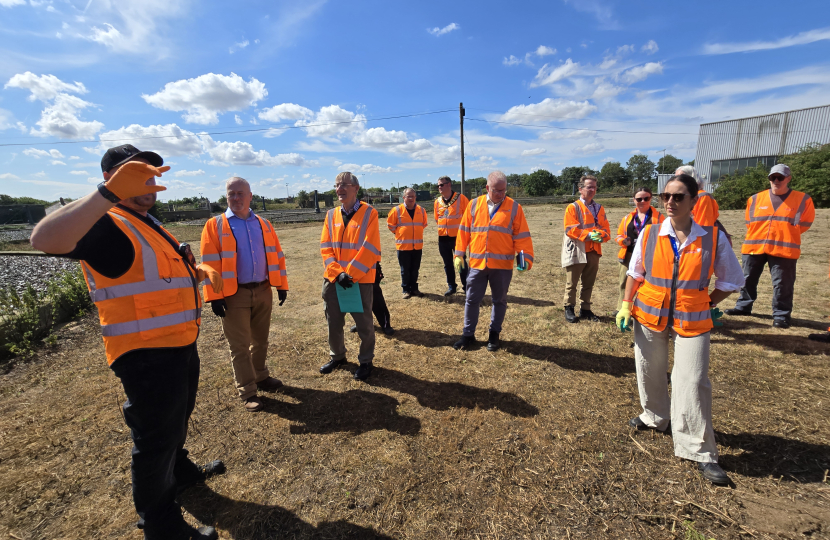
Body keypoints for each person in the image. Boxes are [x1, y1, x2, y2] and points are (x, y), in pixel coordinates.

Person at [30, 144, 222, 540]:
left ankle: (180, 471)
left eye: (151, 173)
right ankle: (160, 524)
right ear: (110, 180)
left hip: (178, 343)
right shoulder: (107, 221)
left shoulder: (146, 220)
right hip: (146, 355)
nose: (147, 181)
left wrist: (196, 270)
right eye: (134, 174)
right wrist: (107, 196)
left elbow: (152, 273)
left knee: (176, 421)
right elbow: (43, 238)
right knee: (154, 438)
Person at [616, 173, 745, 486]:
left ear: (694, 201)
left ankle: (699, 450)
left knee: (693, 380)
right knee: (649, 368)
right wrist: (625, 303)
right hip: (648, 314)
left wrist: (706, 301)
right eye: (666, 197)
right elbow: (635, 272)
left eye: (678, 196)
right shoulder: (648, 234)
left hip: (692, 319)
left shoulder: (712, 238)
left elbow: (731, 280)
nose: (670, 202)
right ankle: (655, 416)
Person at [199, 177, 288, 413]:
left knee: (260, 340)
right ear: (226, 197)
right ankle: (248, 391)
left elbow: (277, 255)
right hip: (232, 294)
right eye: (231, 194)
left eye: (240, 193)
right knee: (239, 346)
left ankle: (261, 376)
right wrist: (214, 296)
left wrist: (282, 285)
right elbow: (209, 263)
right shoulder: (214, 225)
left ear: (250, 196)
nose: (236, 198)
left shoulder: (264, 224)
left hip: (262, 289)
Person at [724, 164, 815, 328]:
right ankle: (743, 307)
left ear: (788, 179)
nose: (776, 181)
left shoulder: (803, 199)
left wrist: (785, 234)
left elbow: (805, 223)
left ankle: (781, 315)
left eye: (780, 177)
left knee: (782, 284)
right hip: (754, 246)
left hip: (784, 249)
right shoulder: (755, 199)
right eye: (773, 177)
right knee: (747, 279)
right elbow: (749, 221)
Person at [452, 171, 534, 352]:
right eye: (496, 190)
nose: (501, 194)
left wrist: (525, 257)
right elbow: (464, 231)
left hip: (502, 266)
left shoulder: (514, 207)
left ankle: (494, 335)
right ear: (487, 188)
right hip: (477, 264)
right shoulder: (474, 205)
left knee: (499, 301)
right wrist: (458, 254)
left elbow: (521, 236)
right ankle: (468, 335)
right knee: (471, 300)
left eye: (503, 190)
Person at [319, 172, 382, 381]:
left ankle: (366, 361)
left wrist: (351, 274)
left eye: (344, 185)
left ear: (356, 188)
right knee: (333, 322)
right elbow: (325, 248)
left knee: (364, 324)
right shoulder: (330, 215)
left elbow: (370, 248)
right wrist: (338, 274)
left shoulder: (369, 213)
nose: (339, 189)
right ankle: (337, 357)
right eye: (336, 185)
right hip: (334, 280)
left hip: (360, 280)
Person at [561, 175, 611, 323]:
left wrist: (601, 235)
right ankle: (569, 307)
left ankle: (586, 309)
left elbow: (606, 230)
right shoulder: (573, 207)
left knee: (589, 282)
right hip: (578, 249)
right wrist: (590, 235)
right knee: (572, 282)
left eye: (594, 187)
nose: (592, 190)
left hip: (594, 251)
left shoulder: (599, 208)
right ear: (580, 188)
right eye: (589, 187)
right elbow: (570, 229)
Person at [614, 187, 664, 311]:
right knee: (624, 283)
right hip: (629, 255)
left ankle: (643, 310)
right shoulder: (627, 218)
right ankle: (622, 308)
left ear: (651, 199)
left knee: (648, 284)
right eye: (639, 199)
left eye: (646, 198)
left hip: (650, 256)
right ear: (634, 200)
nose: (642, 201)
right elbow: (619, 235)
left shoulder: (659, 218)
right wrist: (623, 241)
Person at [387, 187, 428, 298]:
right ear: (403, 197)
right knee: (405, 270)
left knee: (415, 269)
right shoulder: (396, 210)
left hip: (417, 246)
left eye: (413, 196)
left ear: (415, 197)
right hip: (403, 246)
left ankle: (414, 289)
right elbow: (391, 226)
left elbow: (423, 225)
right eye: (408, 196)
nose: (411, 198)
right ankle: (406, 290)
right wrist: (401, 234)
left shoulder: (422, 210)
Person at [434, 176, 470, 296]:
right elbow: (437, 218)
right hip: (443, 237)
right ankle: (451, 286)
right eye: (438, 185)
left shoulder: (461, 199)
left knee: (460, 262)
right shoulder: (437, 201)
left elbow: (469, 217)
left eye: (441, 185)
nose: (439, 187)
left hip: (458, 238)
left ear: (449, 185)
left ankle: (466, 286)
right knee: (447, 263)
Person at [349, 261, 395, 335]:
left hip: (369, 269)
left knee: (376, 300)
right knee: (358, 300)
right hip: (352, 271)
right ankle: (361, 324)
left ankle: (385, 325)